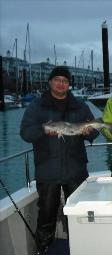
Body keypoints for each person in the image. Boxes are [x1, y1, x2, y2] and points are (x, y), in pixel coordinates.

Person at [20, 66, 99, 254]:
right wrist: (44, 130)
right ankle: (43, 249)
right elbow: (25, 133)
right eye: (57, 80)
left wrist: (90, 131)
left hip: (76, 170)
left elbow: (93, 133)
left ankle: (80, 249)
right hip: (48, 170)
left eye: (65, 80)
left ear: (69, 84)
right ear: (50, 82)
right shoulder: (37, 106)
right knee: (46, 215)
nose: (61, 83)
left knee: (78, 214)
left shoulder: (80, 106)